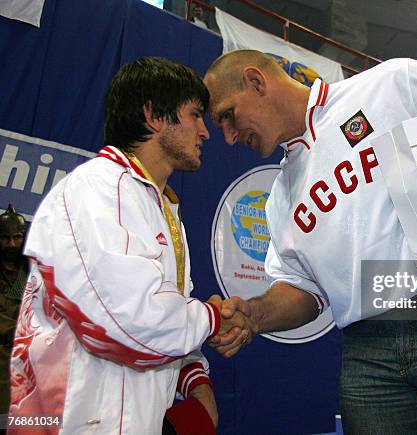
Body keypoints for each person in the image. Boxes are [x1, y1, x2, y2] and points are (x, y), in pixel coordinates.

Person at [204, 50, 417, 434]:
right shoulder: (280, 198)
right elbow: (303, 290)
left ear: (256, 81)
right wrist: (253, 317)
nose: (230, 137)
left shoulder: (389, 84)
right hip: (368, 354)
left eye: (227, 116)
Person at [9, 57, 244, 435]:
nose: (205, 132)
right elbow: (130, 323)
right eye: (195, 115)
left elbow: (167, 317)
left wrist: (194, 379)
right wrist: (213, 319)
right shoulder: (98, 189)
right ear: (153, 115)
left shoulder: (159, 207)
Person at [0, 205, 28, 414]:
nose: (11, 244)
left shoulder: (32, 270)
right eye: (5, 238)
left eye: (17, 237)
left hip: (22, 359)